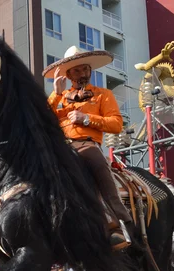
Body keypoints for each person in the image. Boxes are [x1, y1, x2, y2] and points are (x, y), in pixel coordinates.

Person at [44, 46, 131, 250]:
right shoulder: (60, 97)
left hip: (86, 144)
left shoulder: (103, 95)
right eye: (76, 70)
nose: (82, 73)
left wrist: (86, 119)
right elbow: (43, 118)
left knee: (99, 167)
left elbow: (116, 124)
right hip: (59, 148)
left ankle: (116, 225)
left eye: (85, 69)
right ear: (67, 75)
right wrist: (55, 94)